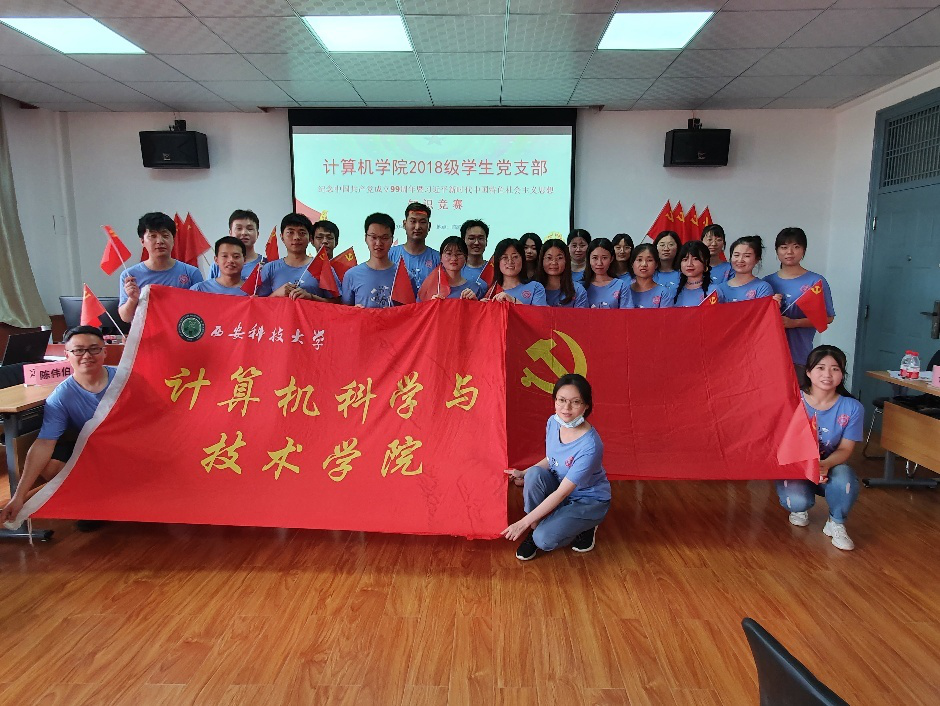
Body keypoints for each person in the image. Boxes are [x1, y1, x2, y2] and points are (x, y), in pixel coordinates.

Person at [0, 326, 117, 529]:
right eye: (78, 350)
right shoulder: (62, 396)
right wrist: (19, 497)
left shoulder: (126, 380)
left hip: (132, 446)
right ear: (67, 355)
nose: (86, 355)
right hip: (94, 449)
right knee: (51, 463)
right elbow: (45, 442)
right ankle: (95, 502)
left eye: (94, 349)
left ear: (104, 352)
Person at [502, 373, 610, 560]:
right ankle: (536, 528)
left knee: (543, 540)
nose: (566, 408)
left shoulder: (590, 445)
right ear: (555, 400)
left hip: (586, 499)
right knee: (533, 474)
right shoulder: (553, 422)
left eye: (575, 402)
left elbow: (561, 493)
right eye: (561, 400)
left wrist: (522, 523)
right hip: (562, 488)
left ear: (586, 406)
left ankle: (586, 525)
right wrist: (524, 473)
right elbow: (552, 458)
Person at [776, 345, 861, 551]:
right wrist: (807, 467)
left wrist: (824, 465)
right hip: (797, 466)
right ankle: (799, 507)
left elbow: (845, 449)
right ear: (808, 372)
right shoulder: (792, 400)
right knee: (795, 501)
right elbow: (780, 443)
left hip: (830, 467)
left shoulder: (852, 407)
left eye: (835, 369)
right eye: (820, 368)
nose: (827, 374)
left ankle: (836, 523)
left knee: (845, 479)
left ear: (842, 374)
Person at [763, 227, 835, 376]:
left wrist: (794, 323)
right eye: (784, 247)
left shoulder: (816, 282)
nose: (789, 252)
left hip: (799, 354)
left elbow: (828, 317)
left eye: (796, 247)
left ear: (804, 250)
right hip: (768, 353)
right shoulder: (766, 283)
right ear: (777, 251)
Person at [119, 212, 203, 322]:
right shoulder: (130, 276)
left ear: (173, 240)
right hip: (146, 332)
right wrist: (132, 299)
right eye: (153, 236)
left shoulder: (191, 273)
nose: (160, 241)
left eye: (165, 236)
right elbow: (126, 318)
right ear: (142, 241)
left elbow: (201, 310)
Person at [256, 213, 330, 300]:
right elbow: (259, 304)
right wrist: (276, 294)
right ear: (282, 237)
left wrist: (311, 297)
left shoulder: (322, 267)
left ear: (310, 238)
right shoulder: (269, 268)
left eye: (302, 233)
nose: (296, 237)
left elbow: (337, 303)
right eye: (290, 233)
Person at [341, 213, 398, 308]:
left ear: (392, 239)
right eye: (373, 237)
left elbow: (412, 312)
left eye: (384, 238)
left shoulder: (405, 276)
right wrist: (352, 312)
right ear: (366, 238)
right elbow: (343, 312)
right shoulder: (351, 275)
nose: (378, 243)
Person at [389, 202, 440, 295]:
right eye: (413, 221)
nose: (417, 227)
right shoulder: (390, 255)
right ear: (404, 224)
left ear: (429, 226)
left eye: (422, 222)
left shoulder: (438, 258)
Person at [420, 236, 486, 300]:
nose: (454, 258)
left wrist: (475, 302)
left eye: (459, 254)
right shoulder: (429, 287)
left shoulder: (474, 288)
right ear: (441, 257)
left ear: (466, 258)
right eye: (449, 254)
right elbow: (419, 307)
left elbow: (483, 307)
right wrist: (431, 304)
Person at [717, 236, 778, 303]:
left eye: (747, 256)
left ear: (757, 259)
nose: (740, 260)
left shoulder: (762, 288)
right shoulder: (719, 289)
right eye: (736, 255)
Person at [486, 238, 546, 305]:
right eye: (504, 257)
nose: (510, 261)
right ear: (498, 262)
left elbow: (539, 312)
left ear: (522, 260)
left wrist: (513, 301)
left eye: (515, 257)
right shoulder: (491, 291)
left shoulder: (535, 287)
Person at [208, 209, 263, 280]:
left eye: (250, 229)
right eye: (239, 228)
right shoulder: (219, 264)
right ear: (230, 232)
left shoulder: (266, 264)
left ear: (257, 234)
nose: (244, 233)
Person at [582, 238, 633, 309]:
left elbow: (627, 313)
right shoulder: (581, 287)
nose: (599, 263)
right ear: (589, 259)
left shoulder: (620, 286)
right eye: (595, 258)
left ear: (611, 259)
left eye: (604, 258)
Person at [672, 240, 723, 307]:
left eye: (695, 259)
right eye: (685, 259)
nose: (689, 264)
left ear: (705, 262)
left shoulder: (713, 291)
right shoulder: (674, 291)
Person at [538, 239, 587, 308]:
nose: (554, 262)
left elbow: (582, 315)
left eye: (559, 258)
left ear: (566, 260)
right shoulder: (533, 289)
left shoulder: (578, 290)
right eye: (549, 258)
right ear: (542, 260)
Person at [628, 243, 673, 308]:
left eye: (649, 260)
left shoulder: (664, 293)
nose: (644, 264)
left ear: (656, 264)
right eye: (639, 260)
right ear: (632, 264)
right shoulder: (625, 292)